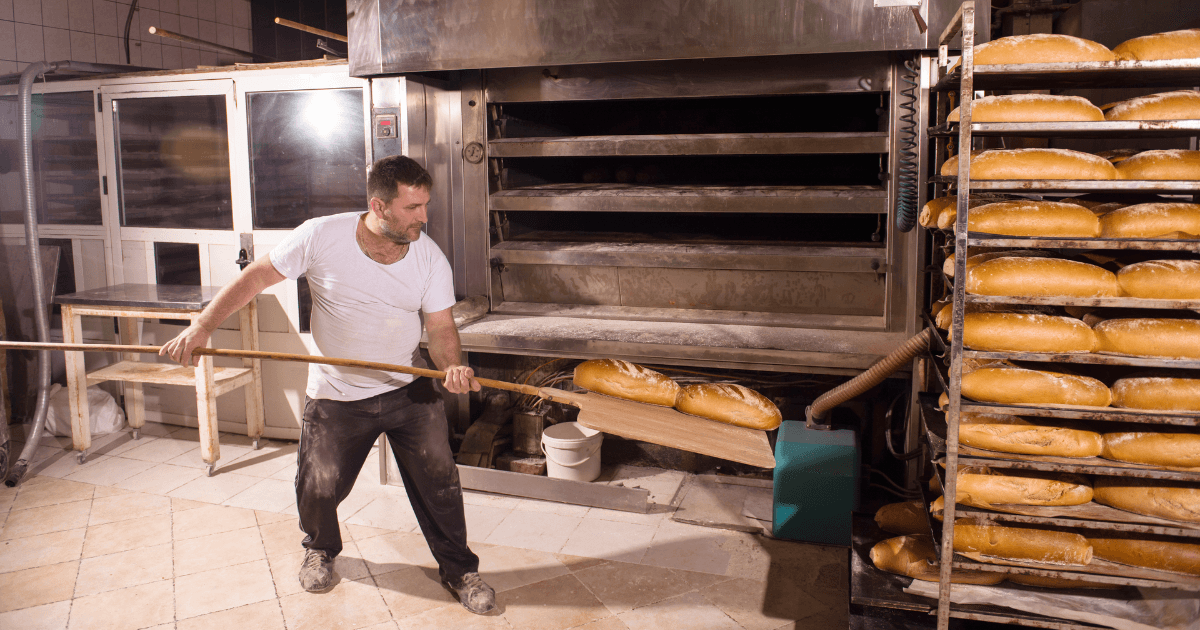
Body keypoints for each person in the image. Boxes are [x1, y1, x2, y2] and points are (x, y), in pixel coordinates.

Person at [160, 155, 496, 615]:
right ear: (379, 206)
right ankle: (320, 549)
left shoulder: (429, 257)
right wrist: (203, 327)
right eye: (413, 207)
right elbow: (256, 277)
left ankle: (459, 571)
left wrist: (452, 366)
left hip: (408, 388)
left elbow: (439, 328)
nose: (424, 216)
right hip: (337, 393)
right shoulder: (321, 236)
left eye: (426, 205)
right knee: (317, 484)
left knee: (440, 481)